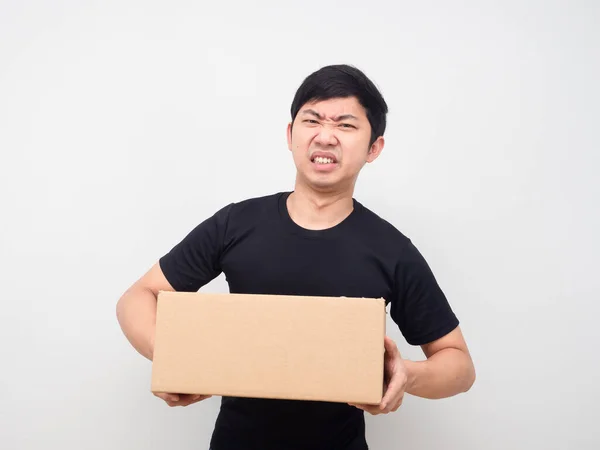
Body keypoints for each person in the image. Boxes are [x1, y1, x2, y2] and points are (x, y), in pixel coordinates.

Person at [116, 64, 476, 450]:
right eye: (312, 120)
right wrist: (175, 359)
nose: (325, 136)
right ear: (290, 135)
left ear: (374, 148)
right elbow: (137, 298)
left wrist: (405, 374)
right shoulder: (236, 224)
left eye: (346, 125)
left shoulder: (391, 250)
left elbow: (459, 366)